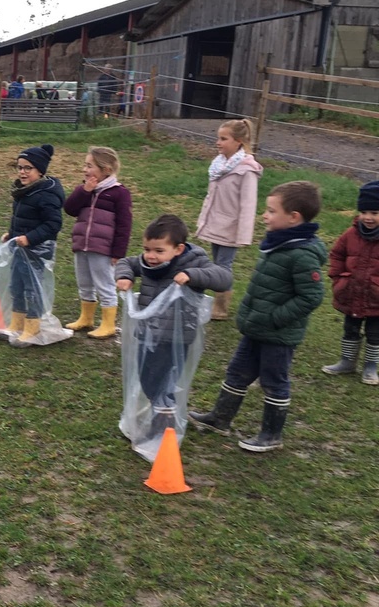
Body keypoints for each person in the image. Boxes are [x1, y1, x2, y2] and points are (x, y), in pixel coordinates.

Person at [189, 181, 327, 452]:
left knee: (274, 381)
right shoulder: (278, 244)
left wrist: (275, 318)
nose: (264, 215)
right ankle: (220, 418)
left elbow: (311, 297)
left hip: (278, 334)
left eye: (271, 211)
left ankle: (271, 434)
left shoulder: (301, 255)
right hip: (256, 328)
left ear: (293, 217)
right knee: (237, 372)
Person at [116, 215, 232, 439]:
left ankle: (163, 427)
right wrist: (124, 276)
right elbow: (126, 263)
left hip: (175, 338)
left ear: (178, 249)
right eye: (147, 249)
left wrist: (192, 276)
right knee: (148, 378)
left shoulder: (194, 261)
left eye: (159, 251)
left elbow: (224, 278)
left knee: (165, 383)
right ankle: (160, 418)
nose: (151, 256)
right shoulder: (147, 262)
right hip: (148, 333)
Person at [195, 118, 263, 320]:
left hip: (231, 227)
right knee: (217, 263)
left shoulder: (247, 170)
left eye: (224, 139)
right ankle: (217, 299)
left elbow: (248, 205)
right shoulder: (218, 165)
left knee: (224, 266)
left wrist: (243, 234)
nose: (218, 142)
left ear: (239, 141)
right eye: (218, 138)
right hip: (216, 223)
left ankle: (221, 307)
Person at [64, 146, 134, 339]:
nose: (85, 170)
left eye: (90, 166)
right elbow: (69, 209)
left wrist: (118, 253)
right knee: (84, 283)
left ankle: (108, 324)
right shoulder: (85, 190)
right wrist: (84, 191)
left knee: (104, 285)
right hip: (81, 246)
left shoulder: (119, 193)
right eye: (85, 165)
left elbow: (124, 225)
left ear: (106, 170)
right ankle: (86, 318)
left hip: (103, 249)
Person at [0, 145, 65, 345]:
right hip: (20, 248)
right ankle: (17, 323)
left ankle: (32, 326)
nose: (22, 172)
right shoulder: (24, 191)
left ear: (40, 171)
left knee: (32, 288)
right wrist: (12, 234)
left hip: (36, 250)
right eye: (19, 167)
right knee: (15, 285)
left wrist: (30, 238)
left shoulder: (46, 194)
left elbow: (53, 224)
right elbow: (21, 218)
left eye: (28, 168)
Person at [321, 180, 379, 385]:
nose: (368, 218)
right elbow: (337, 254)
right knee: (350, 328)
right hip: (352, 292)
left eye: (374, 212)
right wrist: (338, 279)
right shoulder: (351, 234)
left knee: (375, 333)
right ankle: (347, 361)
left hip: (376, 298)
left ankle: (371, 366)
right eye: (364, 212)